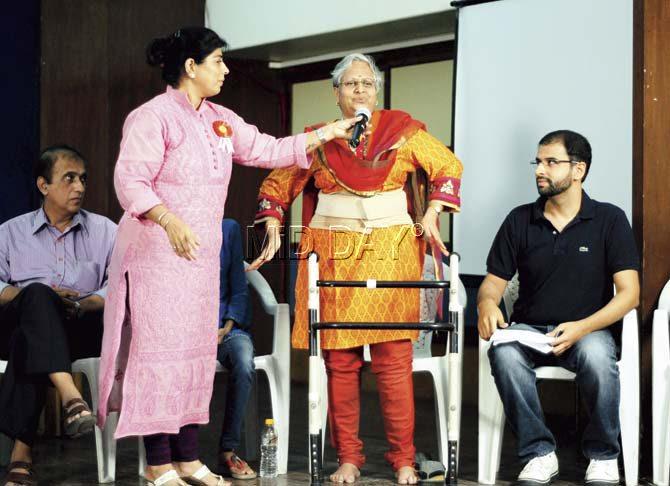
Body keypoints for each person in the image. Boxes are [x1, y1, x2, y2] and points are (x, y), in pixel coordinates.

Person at [96, 27, 363, 486]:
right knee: (159, 358)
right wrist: (168, 219)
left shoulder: (220, 119)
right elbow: (131, 182)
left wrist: (328, 133)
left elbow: (267, 148)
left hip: (198, 264)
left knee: (194, 357)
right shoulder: (152, 117)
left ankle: (186, 457)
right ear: (190, 67)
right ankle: (157, 463)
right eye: (218, 60)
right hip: (156, 257)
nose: (225, 68)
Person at [249, 53, 463, 484]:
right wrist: (273, 220)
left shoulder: (404, 133)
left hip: (392, 253)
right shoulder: (317, 138)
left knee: (394, 361)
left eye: (367, 83)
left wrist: (434, 211)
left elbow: (448, 167)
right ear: (336, 93)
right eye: (351, 84)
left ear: (377, 90)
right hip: (332, 254)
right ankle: (349, 457)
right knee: (340, 363)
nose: (360, 90)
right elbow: (277, 184)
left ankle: (403, 459)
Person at [477, 130, 639, 485]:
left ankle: (603, 454)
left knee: (598, 358)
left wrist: (582, 327)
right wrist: (487, 303)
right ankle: (538, 453)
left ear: (578, 170)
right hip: (531, 330)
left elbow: (629, 294)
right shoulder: (519, 220)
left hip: (588, 330)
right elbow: (492, 283)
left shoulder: (610, 220)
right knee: (503, 353)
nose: (540, 170)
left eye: (551, 162)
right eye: (538, 161)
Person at [0, 145, 116, 486]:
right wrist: (34, 297)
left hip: (81, 325)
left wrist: (82, 303)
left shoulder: (106, 231)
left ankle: (21, 455)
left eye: (83, 179)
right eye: (69, 178)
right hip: (18, 321)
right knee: (37, 297)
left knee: (32, 335)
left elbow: (121, 286)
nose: (80, 187)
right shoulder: (10, 233)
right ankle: (71, 396)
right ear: (43, 185)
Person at [216, 219, 256, 480]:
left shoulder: (228, 228)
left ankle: (228, 450)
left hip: (225, 330)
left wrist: (227, 325)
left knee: (243, 358)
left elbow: (238, 288)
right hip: (183, 331)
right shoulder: (171, 225)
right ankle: (178, 455)